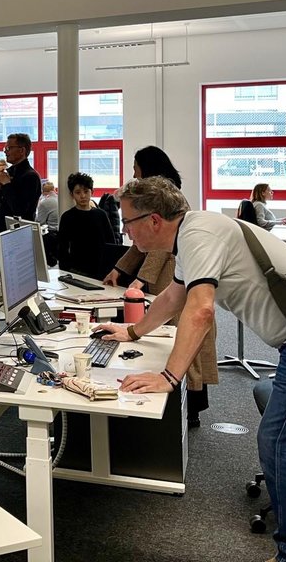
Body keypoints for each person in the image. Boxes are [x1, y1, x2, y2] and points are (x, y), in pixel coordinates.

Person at [102, 176, 286, 562]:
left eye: (128, 221)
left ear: (154, 220)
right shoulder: (198, 230)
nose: (126, 231)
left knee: (282, 447)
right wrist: (132, 331)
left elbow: (201, 310)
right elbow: (175, 296)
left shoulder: (196, 235)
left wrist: (169, 377)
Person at [105, 145, 217, 427]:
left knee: (185, 335)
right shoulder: (169, 216)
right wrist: (132, 331)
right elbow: (169, 297)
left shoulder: (178, 221)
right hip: (173, 279)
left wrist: (142, 278)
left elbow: (201, 311)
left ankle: (188, 405)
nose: (134, 175)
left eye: (136, 169)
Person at [0, 133, 41, 268]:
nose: (6, 152)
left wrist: (7, 185)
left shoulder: (31, 176)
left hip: (18, 241)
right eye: (5, 148)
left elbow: (20, 210)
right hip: (0, 237)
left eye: (9, 148)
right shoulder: (8, 173)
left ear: (22, 150)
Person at [56, 171, 115, 279]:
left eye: (86, 191)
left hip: (100, 269)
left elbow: (111, 243)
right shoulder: (67, 217)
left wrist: (110, 268)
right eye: (78, 192)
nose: (82, 196)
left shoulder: (101, 215)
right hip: (76, 271)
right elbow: (62, 248)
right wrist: (65, 271)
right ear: (72, 194)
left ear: (92, 192)